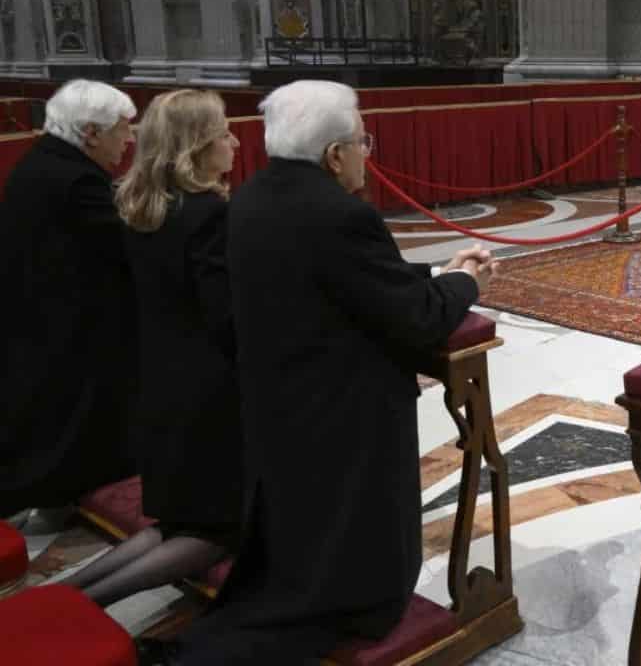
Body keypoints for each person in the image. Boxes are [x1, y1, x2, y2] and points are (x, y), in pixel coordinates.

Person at [171, 81, 497, 664]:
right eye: (361, 141)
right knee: (345, 541)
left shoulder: (252, 196)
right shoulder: (339, 213)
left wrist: (432, 272)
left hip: (282, 399)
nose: (367, 152)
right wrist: (466, 283)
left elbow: (347, 279)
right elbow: (417, 320)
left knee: (301, 529)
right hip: (342, 409)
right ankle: (356, 604)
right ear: (333, 154)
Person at [61, 90, 242, 607]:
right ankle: (86, 605)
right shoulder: (207, 213)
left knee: (179, 519)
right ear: (197, 145)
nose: (232, 140)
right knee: (217, 531)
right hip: (208, 391)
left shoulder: (139, 207)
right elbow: (224, 317)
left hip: (158, 377)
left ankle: (63, 596)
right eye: (223, 131)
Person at [0, 81, 138, 525]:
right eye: (123, 129)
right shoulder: (76, 179)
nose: (130, 139)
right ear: (92, 133)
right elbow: (125, 249)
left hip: (40, 316)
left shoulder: (44, 162)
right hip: (69, 327)